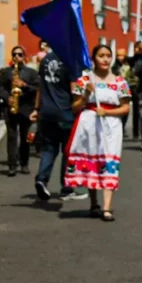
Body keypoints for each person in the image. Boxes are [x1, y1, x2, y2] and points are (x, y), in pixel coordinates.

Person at [67, 44, 132, 221]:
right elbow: (74, 108)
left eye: (108, 55)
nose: (105, 59)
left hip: (111, 126)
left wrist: (108, 112)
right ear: (94, 58)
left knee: (108, 160)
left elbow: (125, 107)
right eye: (101, 55)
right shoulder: (85, 80)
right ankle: (94, 203)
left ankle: (107, 207)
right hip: (88, 123)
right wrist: (85, 96)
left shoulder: (120, 82)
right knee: (92, 161)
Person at [31, 49, 86, 201]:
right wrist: (85, 97)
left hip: (46, 112)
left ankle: (41, 180)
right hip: (65, 112)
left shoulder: (45, 59)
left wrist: (36, 109)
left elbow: (40, 87)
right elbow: (75, 91)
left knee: (49, 149)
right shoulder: (71, 61)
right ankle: (66, 188)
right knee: (68, 151)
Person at [0, 46, 40, 176]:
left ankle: (24, 163)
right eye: (14, 54)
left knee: (25, 138)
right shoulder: (6, 72)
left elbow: (37, 88)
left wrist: (24, 85)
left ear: (24, 56)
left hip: (26, 108)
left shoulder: (31, 72)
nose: (17, 57)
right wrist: (6, 97)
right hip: (11, 107)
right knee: (12, 137)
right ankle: (12, 165)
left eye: (20, 54)